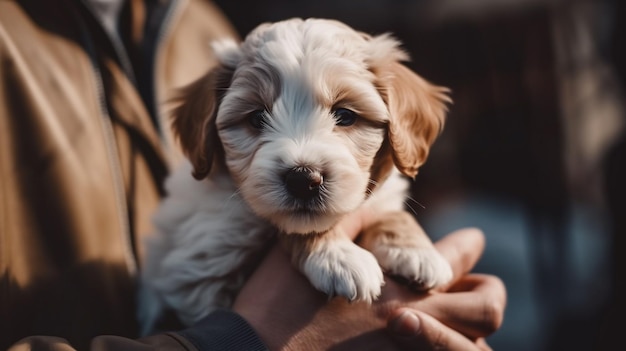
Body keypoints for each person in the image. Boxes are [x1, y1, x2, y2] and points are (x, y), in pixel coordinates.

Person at [0, 0, 506, 350]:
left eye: (346, 117)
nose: (303, 164)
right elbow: (210, 296)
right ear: (206, 138)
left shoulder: (192, 21)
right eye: (255, 120)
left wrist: (414, 310)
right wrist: (254, 326)